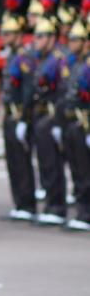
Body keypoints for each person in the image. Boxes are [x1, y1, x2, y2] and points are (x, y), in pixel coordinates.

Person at [0, 0, 38, 221]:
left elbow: (27, 91)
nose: (4, 36)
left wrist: (24, 119)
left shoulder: (23, 57)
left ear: (19, 35)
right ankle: (19, 203)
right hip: (9, 115)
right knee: (12, 160)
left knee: (22, 162)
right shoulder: (11, 56)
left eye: (9, 33)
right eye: (3, 33)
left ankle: (28, 204)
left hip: (19, 115)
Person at [32, 17, 69, 225]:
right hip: (41, 117)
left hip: (52, 117)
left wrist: (56, 122)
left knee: (54, 164)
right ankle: (50, 204)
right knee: (45, 164)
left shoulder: (58, 59)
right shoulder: (43, 58)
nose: (36, 40)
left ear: (51, 38)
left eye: (40, 36)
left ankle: (57, 206)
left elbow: (62, 92)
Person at [63, 22, 90, 231]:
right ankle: (82, 211)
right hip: (73, 122)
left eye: (75, 39)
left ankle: (86, 212)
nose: (70, 43)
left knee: (85, 171)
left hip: (85, 123)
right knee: (77, 171)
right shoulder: (76, 63)